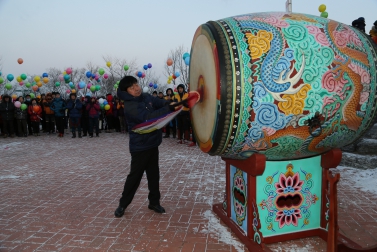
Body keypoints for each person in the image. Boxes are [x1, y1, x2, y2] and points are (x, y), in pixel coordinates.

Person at [114, 76, 182, 217]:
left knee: (153, 175)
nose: (137, 88)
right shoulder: (130, 106)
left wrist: (169, 102)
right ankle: (123, 204)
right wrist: (168, 109)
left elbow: (158, 102)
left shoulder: (145, 97)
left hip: (152, 143)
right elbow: (149, 117)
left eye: (136, 84)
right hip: (140, 147)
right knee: (134, 177)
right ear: (126, 92)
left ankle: (154, 202)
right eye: (132, 88)